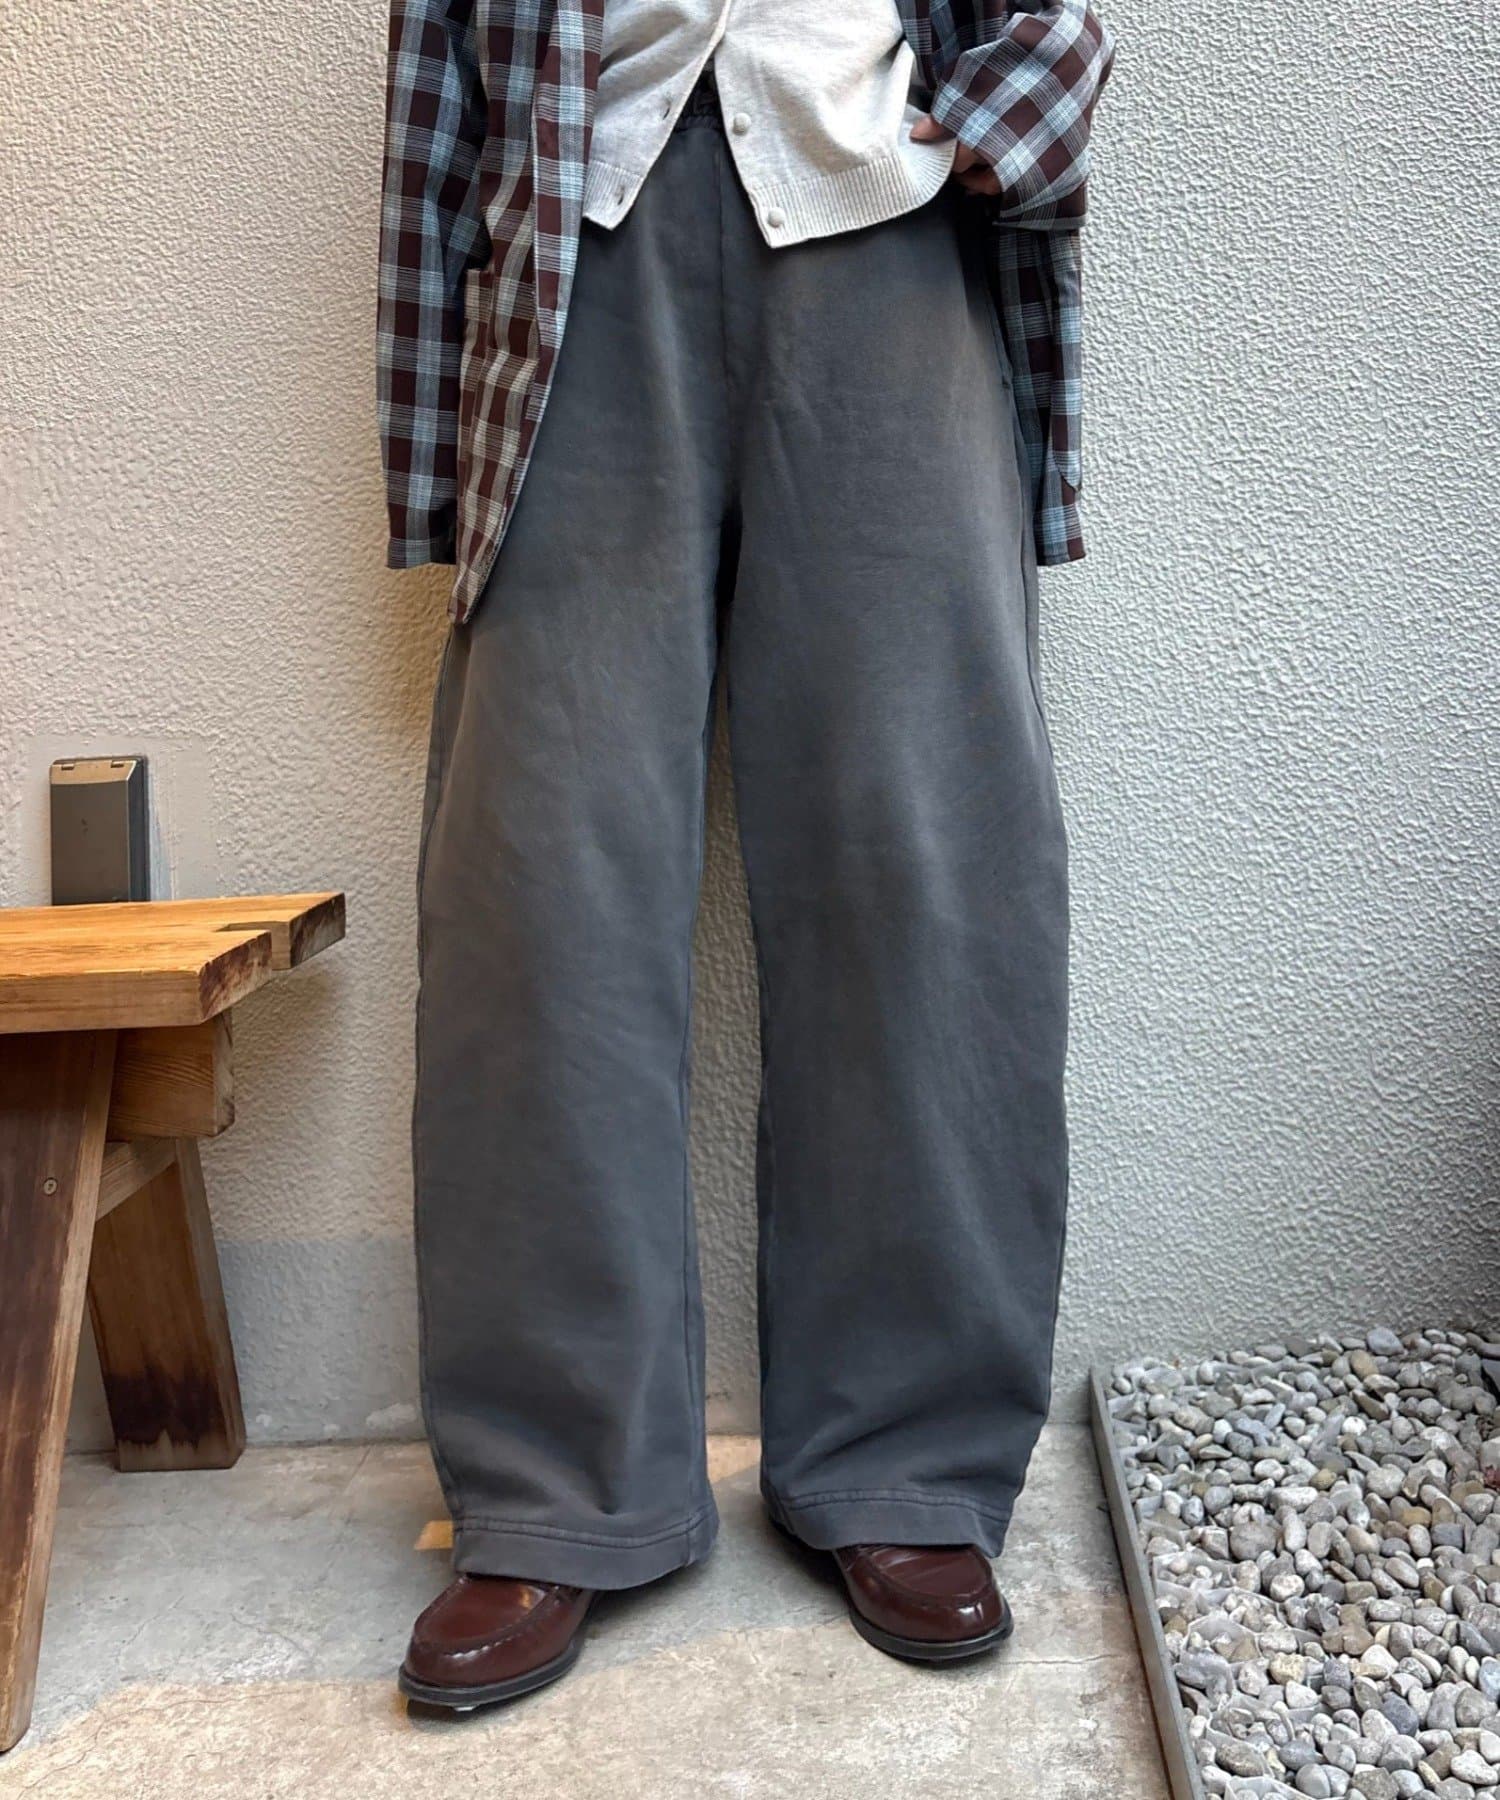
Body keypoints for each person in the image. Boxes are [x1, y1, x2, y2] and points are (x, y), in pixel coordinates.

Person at [377, 0, 1114, 1710]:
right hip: (576, 252)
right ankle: (559, 1485)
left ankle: (907, 1460)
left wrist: (988, 123)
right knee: (539, 885)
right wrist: (431, 449)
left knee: (922, 870)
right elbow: (439, 65)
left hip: (884, 239)